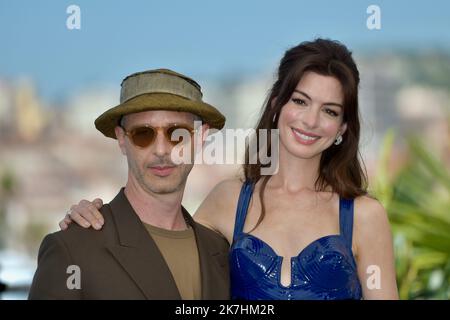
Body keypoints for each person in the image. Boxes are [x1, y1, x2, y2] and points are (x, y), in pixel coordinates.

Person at [60, 39, 399, 300]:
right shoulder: (229, 200)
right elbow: (158, 243)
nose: (311, 120)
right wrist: (92, 222)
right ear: (277, 104)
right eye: (300, 101)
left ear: (342, 128)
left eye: (330, 111)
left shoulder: (364, 216)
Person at [29, 69, 230, 300]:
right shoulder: (71, 250)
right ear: (122, 140)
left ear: (200, 137)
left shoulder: (220, 252)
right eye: (143, 134)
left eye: (177, 134)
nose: (161, 150)